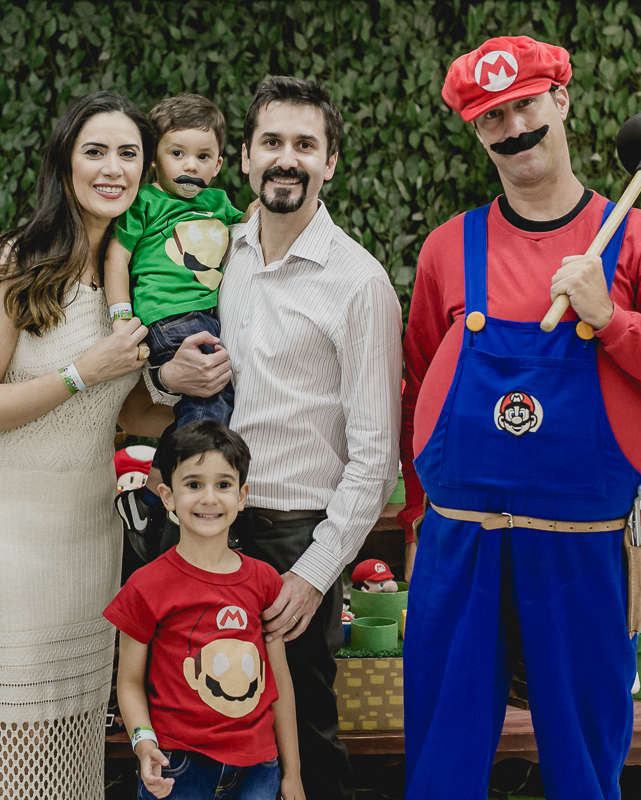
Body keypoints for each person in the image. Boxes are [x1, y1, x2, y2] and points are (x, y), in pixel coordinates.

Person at [398, 35, 641, 800]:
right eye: (491, 119)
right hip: (460, 542)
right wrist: (419, 524)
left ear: (563, 100)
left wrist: (612, 320)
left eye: (525, 106)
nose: (513, 129)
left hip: (582, 552)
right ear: (477, 134)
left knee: (584, 767)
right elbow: (418, 391)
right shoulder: (449, 248)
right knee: (440, 768)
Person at [154, 76, 401, 800]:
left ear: (331, 163)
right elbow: (175, 376)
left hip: (295, 534)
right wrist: (168, 379)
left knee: (304, 725)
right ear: (246, 158)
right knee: (202, 717)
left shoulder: (358, 283)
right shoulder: (214, 253)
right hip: (204, 523)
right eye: (272, 143)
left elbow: (375, 455)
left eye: (305, 144)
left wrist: (314, 572)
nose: (286, 159)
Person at [0, 91, 174, 799]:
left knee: (72, 751)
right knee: (13, 750)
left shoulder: (138, 277)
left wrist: (184, 394)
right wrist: (80, 371)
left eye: (128, 153)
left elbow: (120, 409)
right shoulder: (13, 260)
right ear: (64, 162)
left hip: (84, 537)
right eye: (95, 151)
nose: (112, 168)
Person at [106, 421, 304, 800]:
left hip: (258, 770)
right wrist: (143, 743)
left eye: (224, 485)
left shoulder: (264, 582)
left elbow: (280, 682)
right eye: (194, 484)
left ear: (242, 495)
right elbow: (129, 681)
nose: (209, 498)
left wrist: (291, 773)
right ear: (167, 495)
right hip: (177, 767)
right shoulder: (145, 586)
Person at [106, 94, 243, 555]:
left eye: (202, 156)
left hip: (209, 319)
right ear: (154, 160)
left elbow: (251, 226)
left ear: (219, 163)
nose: (190, 165)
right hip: (169, 320)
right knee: (210, 402)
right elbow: (118, 255)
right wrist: (121, 315)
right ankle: (189, 495)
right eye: (177, 153)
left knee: (202, 407)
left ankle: (149, 498)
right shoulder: (145, 202)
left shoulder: (218, 203)